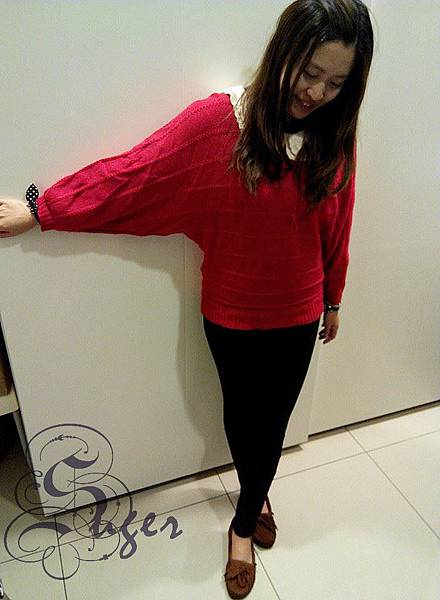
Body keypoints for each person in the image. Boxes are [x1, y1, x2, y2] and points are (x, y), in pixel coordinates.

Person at [0, 0, 374, 597]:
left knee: (273, 422)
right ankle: (257, 490)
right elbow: (135, 176)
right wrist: (44, 211)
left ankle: (244, 521)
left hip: (299, 312)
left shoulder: (335, 138)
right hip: (230, 313)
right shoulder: (218, 123)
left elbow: (339, 224)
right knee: (243, 418)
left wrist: (334, 298)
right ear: (284, 52)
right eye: (309, 72)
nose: (317, 93)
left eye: (335, 83)